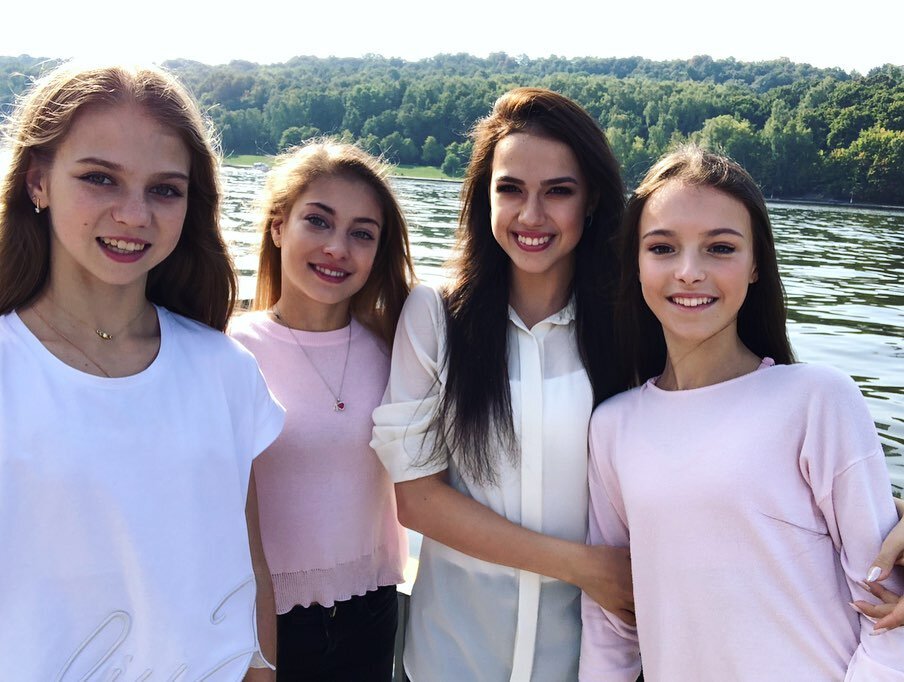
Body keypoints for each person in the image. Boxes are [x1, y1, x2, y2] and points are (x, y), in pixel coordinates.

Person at [0, 63, 284, 679]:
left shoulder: (226, 371)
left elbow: (251, 568)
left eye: (164, 190)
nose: (134, 214)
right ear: (38, 181)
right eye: (100, 178)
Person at [579, 145, 904, 680]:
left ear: (755, 265)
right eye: (662, 248)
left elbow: (887, 606)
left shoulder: (818, 400)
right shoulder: (612, 426)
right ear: (635, 264)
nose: (689, 272)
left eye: (720, 248)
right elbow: (612, 621)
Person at [371, 87, 634, 681]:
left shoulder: (631, 323)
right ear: (484, 195)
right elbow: (417, 498)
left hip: (588, 663)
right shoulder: (436, 314)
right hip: (450, 660)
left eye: (558, 191)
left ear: (591, 199)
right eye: (510, 189)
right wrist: (583, 567)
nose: (531, 216)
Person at [229, 139, 416, 680]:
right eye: (318, 221)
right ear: (278, 227)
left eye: (362, 233)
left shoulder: (398, 348)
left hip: (373, 610)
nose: (338, 248)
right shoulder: (230, 349)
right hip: (267, 620)